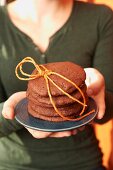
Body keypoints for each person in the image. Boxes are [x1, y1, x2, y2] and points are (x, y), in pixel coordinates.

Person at [0, 0, 113, 169]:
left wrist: (96, 96)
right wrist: (18, 113)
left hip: (83, 163)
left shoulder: (101, 18)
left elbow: (107, 112)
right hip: (13, 164)